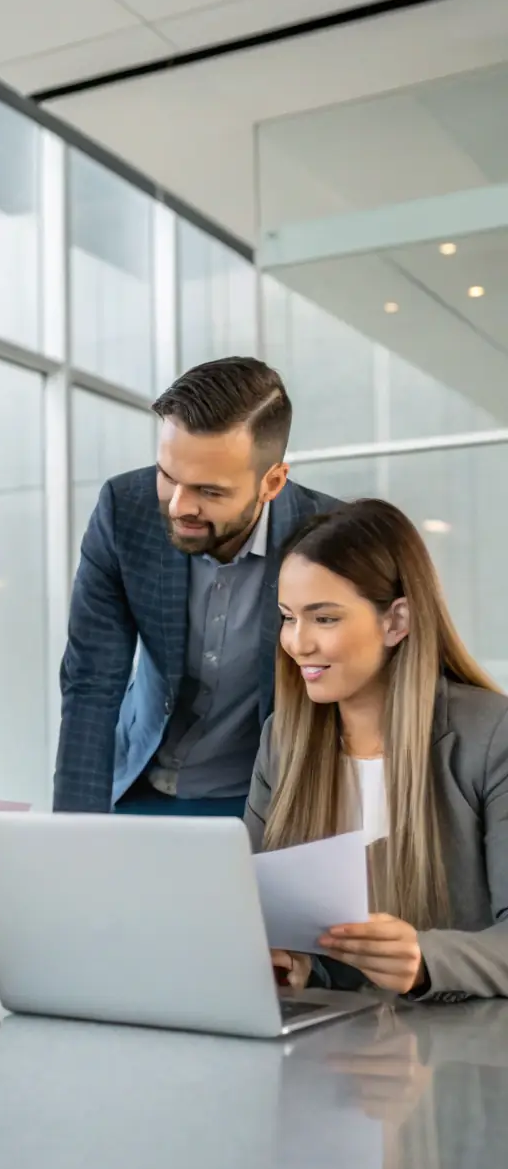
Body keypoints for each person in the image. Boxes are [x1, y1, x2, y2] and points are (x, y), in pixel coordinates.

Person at [247, 499, 508, 1000]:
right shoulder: (281, 740)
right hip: (324, 1055)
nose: (297, 643)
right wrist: (286, 961)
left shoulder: (491, 737)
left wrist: (426, 959)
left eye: (323, 619)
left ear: (396, 622)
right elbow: (260, 916)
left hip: (459, 1057)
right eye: (287, 617)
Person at [54, 357, 336, 816]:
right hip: (138, 783)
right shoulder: (125, 510)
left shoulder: (328, 535)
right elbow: (90, 682)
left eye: (210, 491)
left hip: (269, 800)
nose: (179, 506)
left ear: (272, 482)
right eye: (168, 476)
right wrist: (72, 828)